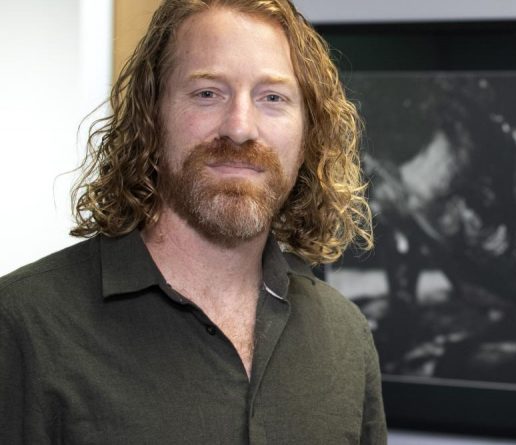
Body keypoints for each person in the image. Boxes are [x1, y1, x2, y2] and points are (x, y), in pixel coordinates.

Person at [0, 0, 386, 443]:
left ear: (307, 136)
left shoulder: (344, 337)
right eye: (207, 93)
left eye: (272, 98)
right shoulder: (23, 326)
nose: (240, 128)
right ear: (152, 118)